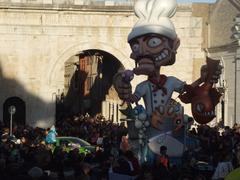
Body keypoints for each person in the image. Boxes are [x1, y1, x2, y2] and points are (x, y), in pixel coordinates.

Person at [113, 0, 222, 163]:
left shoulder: (171, 82)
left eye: (153, 42)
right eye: (136, 46)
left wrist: (202, 79)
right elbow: (131, 99)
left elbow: (188, 91)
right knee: (150, 155)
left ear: (174, 45)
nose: (143, 51)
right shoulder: (143, 86)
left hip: (170, 124)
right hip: (150, 125)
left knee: (173, 154)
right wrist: (122, 85)